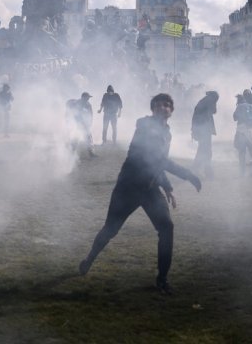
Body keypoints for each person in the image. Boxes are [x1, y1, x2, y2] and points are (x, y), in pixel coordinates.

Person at [78, 93, 202, 294]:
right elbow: (155, 158)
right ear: (153, 108)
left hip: (149, 188)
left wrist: (167, 187)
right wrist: (187, 174)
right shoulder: (145, 126)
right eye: (162, 104)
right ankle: (89, 259)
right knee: (111, 229)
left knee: (167, 228)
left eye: (169, 105)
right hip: (128, 187)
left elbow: (157, 164)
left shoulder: (166, 132)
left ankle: (162, 280)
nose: (166, 107)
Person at [233, 94, 252, 177]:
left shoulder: (240, 106)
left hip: (242, 133)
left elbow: (235, 118)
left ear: (239, 100)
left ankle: (242, 173)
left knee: (242, 153)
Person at [191, 91, 218, 179]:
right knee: (206, 150)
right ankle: (207, 172)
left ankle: (197, 169)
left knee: (202, 150)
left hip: (202, 129)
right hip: (204, 130)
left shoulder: (204, 101)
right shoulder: (209, 101)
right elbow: (214, 111)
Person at [67, 92, 95, 157]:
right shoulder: (77, 103)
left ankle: (91, 153)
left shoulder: (88, 104)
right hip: (79, 123)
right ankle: (72, 151)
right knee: (77, 137)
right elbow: (74, 113)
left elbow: (91, 114)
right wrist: (78, 122)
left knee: (88, 138)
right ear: (83, 97)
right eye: (87, 97)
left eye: (88, 97)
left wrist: (90, 122)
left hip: (86, 124)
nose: (88, 98)